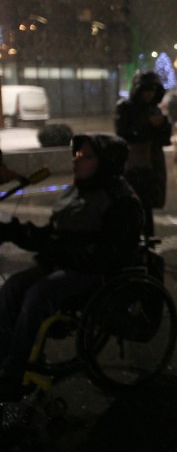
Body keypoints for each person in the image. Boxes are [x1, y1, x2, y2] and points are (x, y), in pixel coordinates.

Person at [0, 133, 144, 402]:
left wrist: (61, 253)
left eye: (84, 156)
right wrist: (13, 232)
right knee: (12, 287)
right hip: (64, 263)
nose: (75, 162)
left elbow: (109, 255)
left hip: (95, 273)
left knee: (37, 294)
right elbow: (53, 236)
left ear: (105, 162)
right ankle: (8, 356)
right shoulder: (78, 191)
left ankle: (13, 372)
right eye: (75, 155)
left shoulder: (122, 201)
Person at [115, 70, 172, 237]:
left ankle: (147, 238)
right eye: (146, 90)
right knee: (134, 202)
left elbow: (164, 140)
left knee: (147, 204)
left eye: (153, 91)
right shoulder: (126, 108)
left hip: (152, 162)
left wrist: (162, 126)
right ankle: (135, 238)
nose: (149, 94)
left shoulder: (154, 110)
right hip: (134, 163)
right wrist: (148, 126)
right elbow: (125, 133)